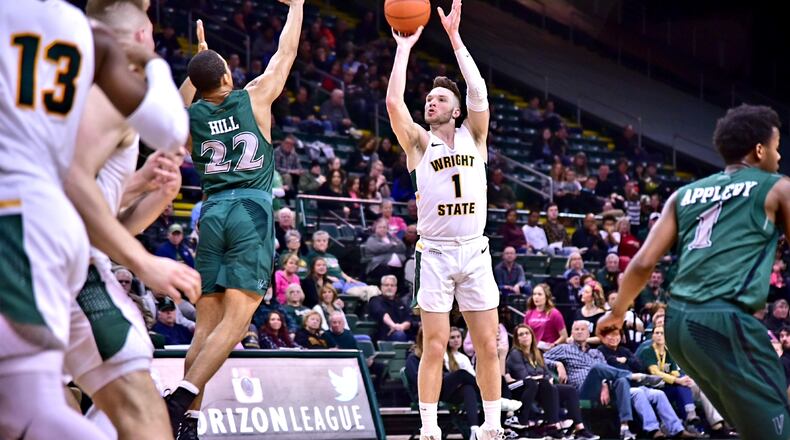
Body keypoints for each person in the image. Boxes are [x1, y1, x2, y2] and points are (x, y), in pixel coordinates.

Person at [0, 1, 201, 438]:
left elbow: (98, 210)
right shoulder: (94, 63)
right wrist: (143, 262)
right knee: (37, 411)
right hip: (45, 247)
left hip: (57, 243)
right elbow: (71, 182)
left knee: (120, 401)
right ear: (142, 37)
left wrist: (145, 190)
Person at [600, 104, 790, 440]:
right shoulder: (776, 187)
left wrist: (616, 312)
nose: (778, 157)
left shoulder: (683, 194)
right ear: (760, 150)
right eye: (776, 148)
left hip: (678, 327)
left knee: (751, 427)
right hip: (725, 322)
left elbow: (643, 263)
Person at [164, 1, 304, 436]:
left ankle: (189, 422)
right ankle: (181, 397)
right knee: (238, 320)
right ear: (227, 78)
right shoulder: (254, 96)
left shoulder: (190, 118)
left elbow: (183, 102)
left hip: (212, 212)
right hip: (250, 208)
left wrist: (199, 64)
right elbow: (286, 53)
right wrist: (297, 6)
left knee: (204, 326)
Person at [386, 1, 504, 437]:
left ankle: (492, 426)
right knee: (434, 345)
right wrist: (403, 48)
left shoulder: (475, 136)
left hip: (475, 250)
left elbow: (479, 94)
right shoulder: (419, 143)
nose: (430, 102)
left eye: (439, 99)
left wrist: (455, 38)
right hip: (434, 254)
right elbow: (394, 102)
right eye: (429, 98)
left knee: (488, 344)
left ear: (455, 110)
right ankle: (430, 428)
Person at [544, 322, 665, 440]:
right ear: (571, 333)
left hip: (602, 389)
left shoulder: (595, 352)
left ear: (588, 333)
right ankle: (635, 376)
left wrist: (605, 384)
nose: (580, 332)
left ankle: (624, 426)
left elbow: (607, 371)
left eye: (583, 329)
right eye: (576, 329)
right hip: (583, 390)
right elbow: (541, 359)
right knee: (597, 368)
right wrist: (558, 364)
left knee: (621, 380)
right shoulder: (564, 349)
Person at [638, 326, 735, 438]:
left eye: (662, 333)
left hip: (669, 385)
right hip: (655, 387)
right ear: (653, 336)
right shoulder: (647, 351)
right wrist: (677, 380)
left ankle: (716, 424)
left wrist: (683, 379)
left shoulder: (667, 352)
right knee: (682, 385)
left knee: (700, 386)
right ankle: (691, 415)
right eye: (657, 333)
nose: (659, 335)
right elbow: (655, 372)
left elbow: (675, 371)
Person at [598, 331, 698, 438]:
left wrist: (626, 360)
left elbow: (640, 366)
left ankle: (677, 430)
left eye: (616, 335)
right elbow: (606, 368)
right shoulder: (600, 351)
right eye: (610, 335)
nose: (614, 338)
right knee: (639, 393)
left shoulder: (624, 350)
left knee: (658, 394)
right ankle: (653, 429)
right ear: (603, 338)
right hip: (619, 388)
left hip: (636, 385)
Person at [506, 325, 599, 439]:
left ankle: (580, 428)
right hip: (522, 388)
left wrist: (547, 376)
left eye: (527, 333)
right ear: (517, 339)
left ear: (532, 336)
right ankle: (553, 425)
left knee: (569, 390)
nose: (525, 336)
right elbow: (524, 376)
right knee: (546, 385)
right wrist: (543, 378)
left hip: (540, 386)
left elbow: (547, 373)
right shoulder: (516, 353)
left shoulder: (537, 353)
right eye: (521, 334)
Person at [368, 275, 413, 342]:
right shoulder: (375, 300)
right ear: (381, 287)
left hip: (401, 331)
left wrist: (401, 327)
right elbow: (382, 313)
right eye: (386, 285)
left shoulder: (400, 303)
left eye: (392, 285)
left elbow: (408, 319)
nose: (389, 287)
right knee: (399, 335)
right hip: (383, 336)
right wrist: (393, 325)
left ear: (396, 288)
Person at [524, 284, 568, 351]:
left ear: (546, 297)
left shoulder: (554, 313)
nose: (536, 297)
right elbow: (525, 332)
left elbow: (564, 336)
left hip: (550, 351)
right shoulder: (529, 313)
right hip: (533, 350)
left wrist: (554, 345)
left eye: (539, 294)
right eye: (534, 294)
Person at [364, 218, 408, 282]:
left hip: (397, 265)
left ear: (387, 229)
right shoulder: (372, 239)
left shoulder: (392, 238)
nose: (382, 229)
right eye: (380, 227)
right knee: (385, 269)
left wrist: (388, 248)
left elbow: (402, 247)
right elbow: (377, 248)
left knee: (404, 268)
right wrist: (391, 245)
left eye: (384, 227)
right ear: (375, 229)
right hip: (377, 265)